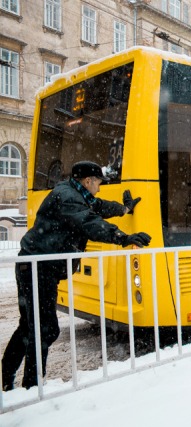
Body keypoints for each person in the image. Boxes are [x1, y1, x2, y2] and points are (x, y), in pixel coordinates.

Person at [2, 161, 152, 391]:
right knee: (44, 328)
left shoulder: (73, 193)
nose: (99, 188)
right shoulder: (68, 197)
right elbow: (89, 222)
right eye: (99, 183)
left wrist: (124, 209)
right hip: (37, 268)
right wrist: (124, 238)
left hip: (37, 266)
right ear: (88, 181)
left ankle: (9, 376)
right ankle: (32, 388)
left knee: (30, 326)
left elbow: (97, 206)